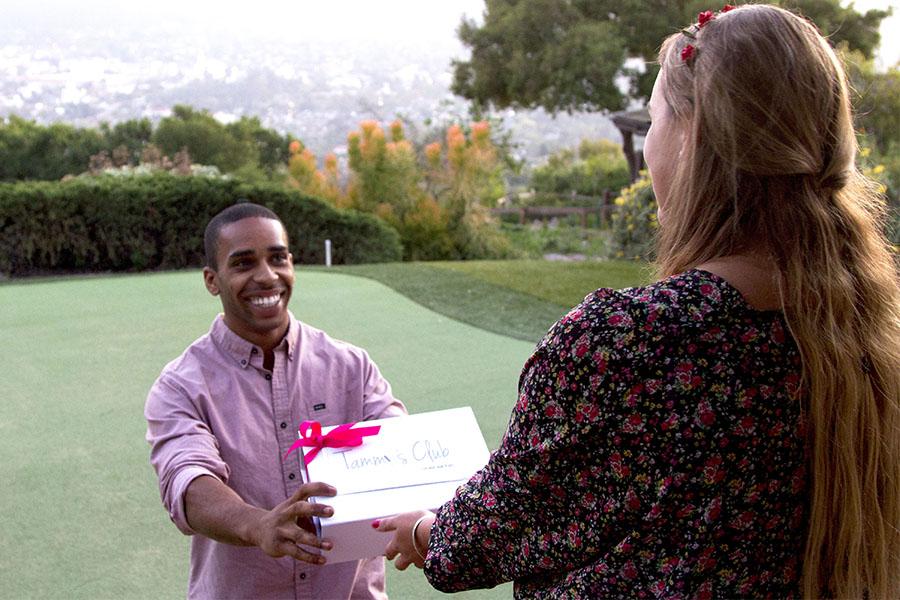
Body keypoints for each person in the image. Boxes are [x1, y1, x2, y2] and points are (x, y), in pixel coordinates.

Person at [377, 4, 900, 598]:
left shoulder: (627, 341)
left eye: (654, 122)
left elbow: (491, 530)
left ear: (694, 135)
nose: (648, 145)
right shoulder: (867, 330)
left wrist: (424, 531)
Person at [145, 202, 406, 599]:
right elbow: (188, 481)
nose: (266, 277)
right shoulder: (181, 384)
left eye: (277, 258)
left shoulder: (351, 366)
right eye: (244, 263)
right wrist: (257, 525)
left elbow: (402, 447)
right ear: (212, 280)